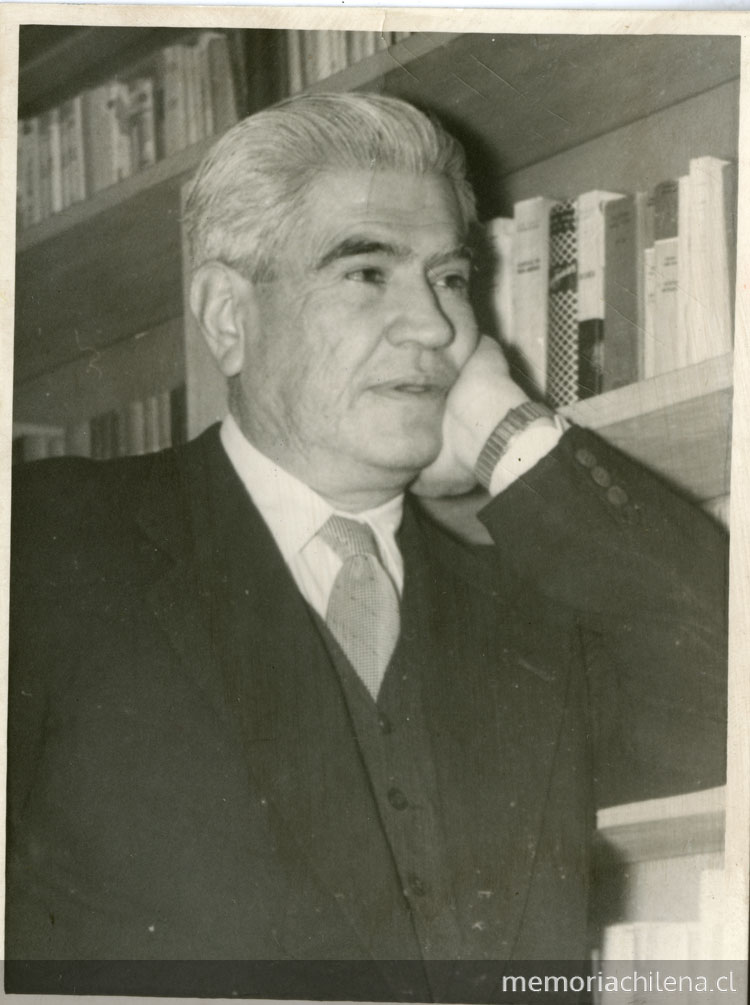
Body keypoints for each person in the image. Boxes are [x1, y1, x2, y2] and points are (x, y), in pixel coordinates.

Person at [6, 93, 727, 1000]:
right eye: (367, 272)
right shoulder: (51, 544)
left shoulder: (530, 618)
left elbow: (727, 702)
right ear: (228, 317)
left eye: (450, 279)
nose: (435, 325)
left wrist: (506, 429)